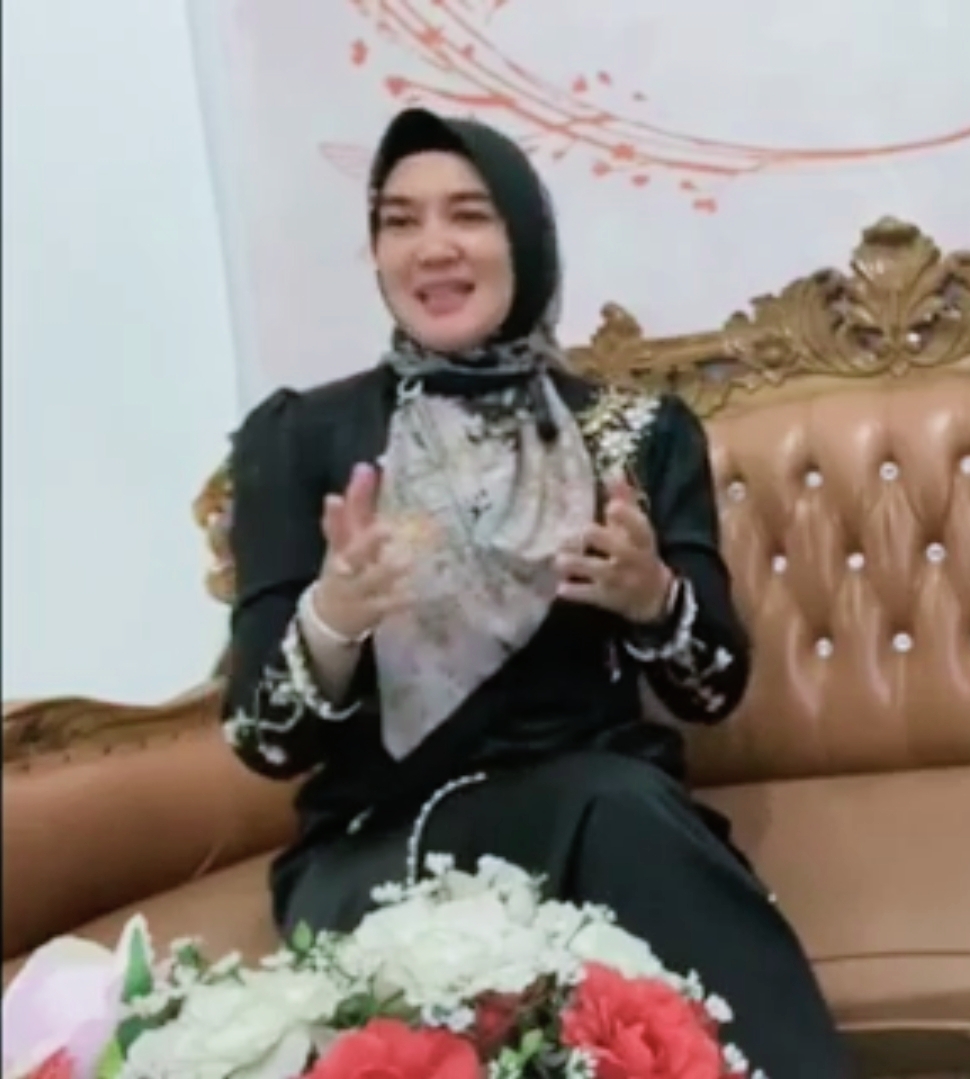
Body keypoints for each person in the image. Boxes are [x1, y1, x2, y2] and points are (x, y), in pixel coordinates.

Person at [220, 107, 850, 1075]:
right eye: (399, 220)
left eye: (469, 214)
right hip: (383, 842)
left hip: (600, 824)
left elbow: (712, 689)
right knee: (613, 813)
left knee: (617, 806)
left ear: (525, 235)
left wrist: (652, 598)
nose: (433, 246)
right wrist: (333, 621)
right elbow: (262, 740)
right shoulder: (303, 440)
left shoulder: (636, 434)